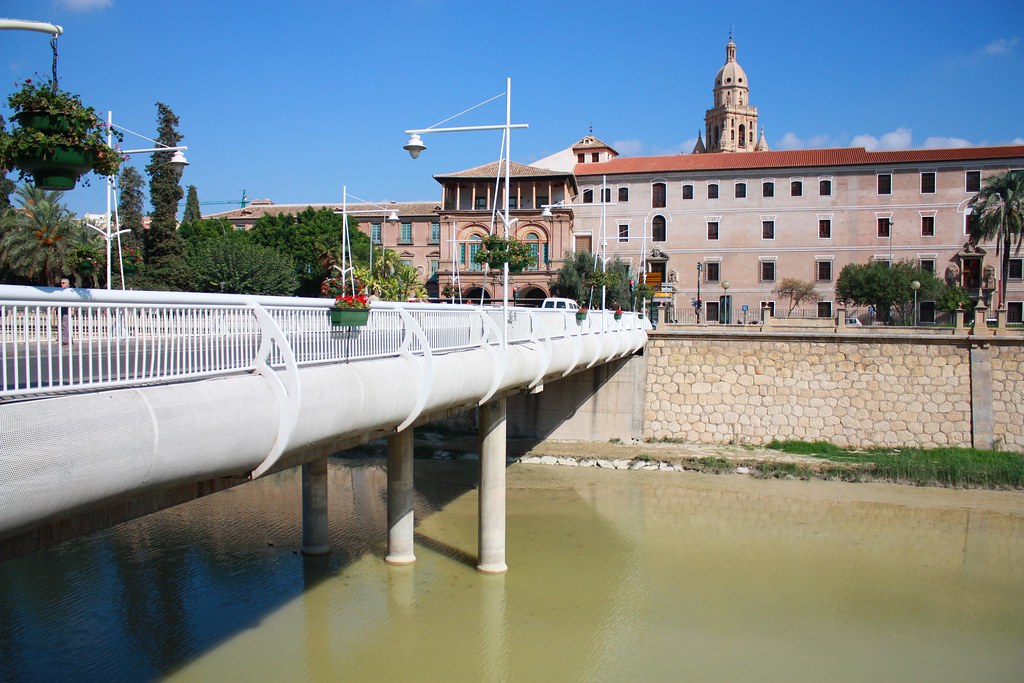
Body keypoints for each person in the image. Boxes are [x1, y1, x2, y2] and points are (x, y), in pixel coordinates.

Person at [59, 277, 71, 345]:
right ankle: (65, 338)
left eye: (63, 283)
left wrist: (72, 309)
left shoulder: (69, 291)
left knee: (65, 324)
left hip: (67, 309)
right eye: (61, 283)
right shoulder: (61, 291)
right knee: (63, 324)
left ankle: (66, 339)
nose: (61, 284)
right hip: (63, 308)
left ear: (67, 284)